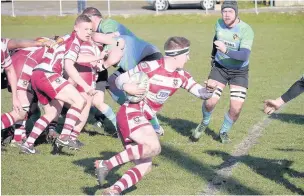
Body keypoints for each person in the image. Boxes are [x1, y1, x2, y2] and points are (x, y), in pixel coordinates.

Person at [94, 36, 216, 195]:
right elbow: (119, 80)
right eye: (186, 54)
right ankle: (107, 164)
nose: (188, 58)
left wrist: (210, 90)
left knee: (145, 166)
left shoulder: (181, 76)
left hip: (141, 120)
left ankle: (113, 190)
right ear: (176, 55)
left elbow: (201, 93)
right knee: (154, 147)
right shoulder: (150, 66)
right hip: (131, 112)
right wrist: (126, 86)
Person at [20, 15, 102, 154]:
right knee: (79, 100)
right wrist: (86, 87)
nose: (89, 32)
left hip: (37, 74)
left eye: (91, 29)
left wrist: (97, 57)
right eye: (85, 28)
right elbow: (70, 66)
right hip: (48, 74)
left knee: (52, 112)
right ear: (76, 28)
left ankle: (28, 144)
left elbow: (73, 58)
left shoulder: (68, 38)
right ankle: (64, 136)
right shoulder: (75, 43)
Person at [82, 7, 165, 135]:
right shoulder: (102, 29)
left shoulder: (106, 24)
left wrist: (101, 64)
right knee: (112, 84)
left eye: (87, 23)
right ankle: (133, 110)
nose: (87, 27)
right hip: (132, 60)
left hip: (145, 59)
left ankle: (155, 127)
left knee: (137, 93)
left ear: (93, 18)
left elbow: (113, 42)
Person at [191, 0, 254, 144]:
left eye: (230, 11)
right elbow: (216, 39)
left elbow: (244, 55)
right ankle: (204, 122)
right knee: (209, 102)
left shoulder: (246, 30)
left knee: (236, 108)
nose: (226, 15)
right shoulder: (218, 23)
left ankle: (224, 131)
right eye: (224, 11)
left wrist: (225, 49)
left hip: (239, 72)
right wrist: (213, 56)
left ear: (236, 12)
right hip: (220, 68)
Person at [1, 38, 53, 131]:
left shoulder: (3, 43)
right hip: (17, 70)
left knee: (25, 107)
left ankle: (16, 137)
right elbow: (18, 42)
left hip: (12, 70)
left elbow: (18, 42)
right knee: (24, 109)